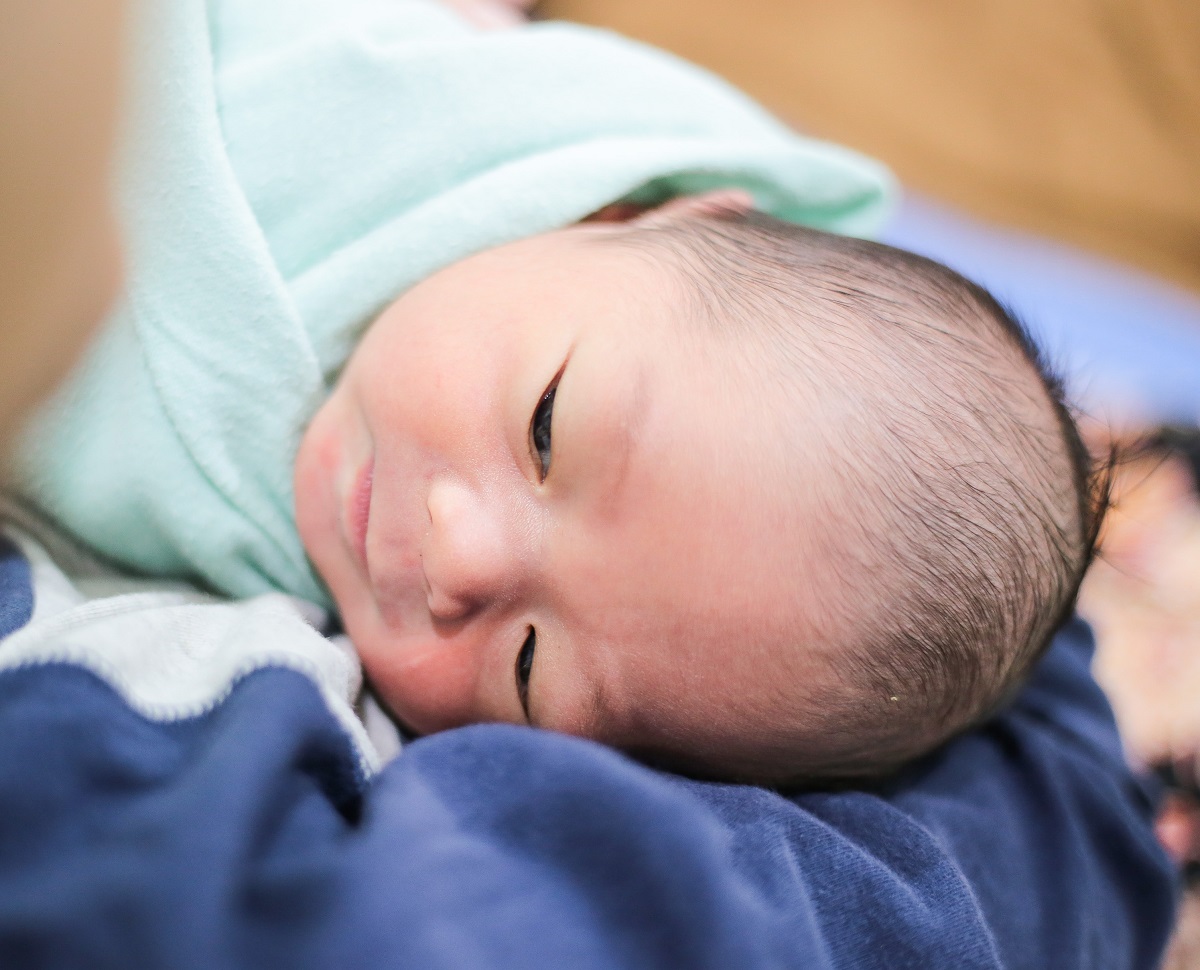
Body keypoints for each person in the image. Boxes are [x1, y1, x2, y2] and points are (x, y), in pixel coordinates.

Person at [0, 0, 1177, 966]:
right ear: (626, 216)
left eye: (527, 665)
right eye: (546, 429)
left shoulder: (251, 671)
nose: (456, 555)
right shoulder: (443, 111)